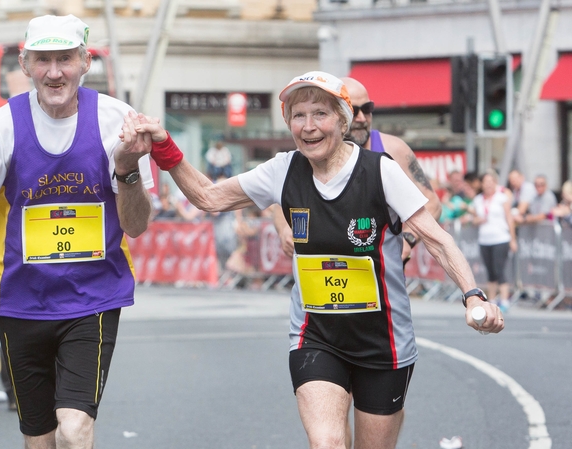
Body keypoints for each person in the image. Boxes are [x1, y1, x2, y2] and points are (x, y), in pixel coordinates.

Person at [137, 71, 503, 449]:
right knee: (327, 442)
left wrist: (473, 294)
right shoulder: (283, 170)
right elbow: (209, 197)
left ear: (342, 120)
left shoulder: (380, 170)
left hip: (383, 341)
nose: (308, 127)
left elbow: (438, 239)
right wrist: (164, 146)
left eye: (320, 114)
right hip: (316, 336)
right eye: (298, 115)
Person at [0, 14, 154, 449]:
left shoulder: (118, 122)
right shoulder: (2, 126)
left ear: (85, 61)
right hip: (20, 299)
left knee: (74, 430)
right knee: (39, 438)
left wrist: (127, 170)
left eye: (65, 59)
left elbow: (135, 226)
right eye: (43, 60)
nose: (54, 72)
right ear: (25, 64)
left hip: (92, 297)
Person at [272, 77, 441, 263]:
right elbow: (280, 197)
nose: (362, 118)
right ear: (338, 114)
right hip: (324, 276)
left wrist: (407, 240)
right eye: (355, 110)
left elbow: (431, 203)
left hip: (380, 280)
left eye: (367, 109)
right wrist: (284, 230)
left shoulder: (392, 149)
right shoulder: (310, 152)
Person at [470, 170, 517, 311]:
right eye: (486, 182)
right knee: (490, 271)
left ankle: (504, 300)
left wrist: (513, 239)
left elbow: (509, 217)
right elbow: (474, 219)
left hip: (500, 238)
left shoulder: (502, 197)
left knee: (499, 269)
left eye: (491, 182)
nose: (489, 185)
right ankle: (491, 299)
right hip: (485, 239)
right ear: (482, 184)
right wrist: (477, 220)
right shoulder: (478, 199)